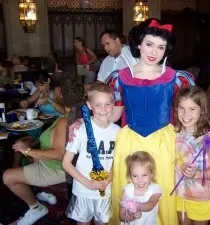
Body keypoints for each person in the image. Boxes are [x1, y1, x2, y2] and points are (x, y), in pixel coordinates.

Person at [69, 18, 199, 225]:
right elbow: (111, 116)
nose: (154, 52)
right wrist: (86, 124)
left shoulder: (176, 78)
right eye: (149, 44)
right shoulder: (120, 78)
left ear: (166, 50)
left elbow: (193, 109)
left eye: (160, 47)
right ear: (138, 44)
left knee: (161, 190)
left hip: (163, 143)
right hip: (130, 141)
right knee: (130, 188)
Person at [2, 77, 85, 225]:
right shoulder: (76, 113)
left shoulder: (63, 121)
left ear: (61, 96)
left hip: (57, 169)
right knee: (28, 144)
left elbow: (59, 154)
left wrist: (28, 151)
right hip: (63, 167)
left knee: (8, 177)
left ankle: (36, 208)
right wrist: (32, 144)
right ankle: (41, 192)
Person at [63, 83, 120, 224]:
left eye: (108, 104)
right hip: (83, 191)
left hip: (105, 191)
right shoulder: (80, 130)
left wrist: (109, 179)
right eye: (98, 105)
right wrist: (87, 183)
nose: (104, 109)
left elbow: (117, 163)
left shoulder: (118, 132)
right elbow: (66, 163)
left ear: (113, 104)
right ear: (89, 105)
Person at [174, 86, 210, 225]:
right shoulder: (175, 131)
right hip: (180, 195)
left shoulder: (208, 137)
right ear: (176, 109)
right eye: (182, 108)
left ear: (201, 110)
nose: (186, 114)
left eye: (192, 109)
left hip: (201, 198)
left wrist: (197, 174)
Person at [120, 151, 162, 225]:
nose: (140, 180)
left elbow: (150, 205)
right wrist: (133, 216)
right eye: (135, 176)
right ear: (130, 175)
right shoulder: (127, 190)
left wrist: (137, 206)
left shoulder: (155, 190)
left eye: (144, 175)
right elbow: (122, 216)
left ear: (151, 174)